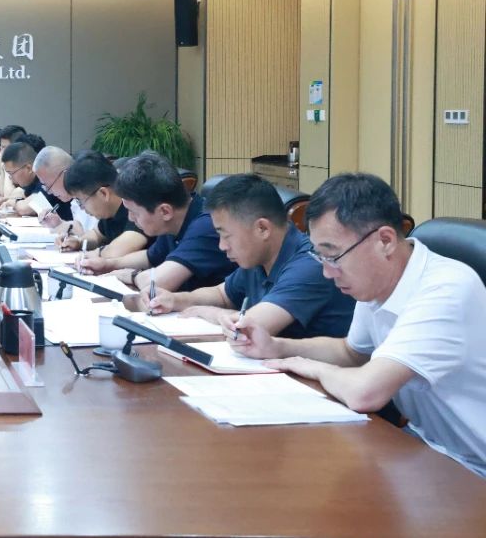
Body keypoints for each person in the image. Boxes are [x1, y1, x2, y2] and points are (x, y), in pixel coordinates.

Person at [233, 173, 486, 477]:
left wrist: (310, 367)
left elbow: (365, 392)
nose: (327, 272)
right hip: (431, 450)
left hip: (475, 469)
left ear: (385, 241)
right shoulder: (378, 282)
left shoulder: (447, 290)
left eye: (333, 256)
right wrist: (277, 347)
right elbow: (352, 352)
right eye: (320, 256)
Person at [141, 174, 353, 339]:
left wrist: (208, 312)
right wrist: (175, 300)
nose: (222, 246)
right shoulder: (259, 256)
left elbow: (248, 327)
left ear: (262, 229)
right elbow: (222, 294)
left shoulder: (310, 264)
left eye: (226, 235)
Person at [77, 151, 237, 293]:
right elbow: (150, 257)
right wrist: (108, 265)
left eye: (134, 212)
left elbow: (157, 282)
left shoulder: (206, 225)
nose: (130, 218)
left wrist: (131, 275)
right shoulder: (174, 221)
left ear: (165, 211)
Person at [58, 150, 148, 259]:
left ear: (103, 193)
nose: (82, 208)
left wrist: (94, 254)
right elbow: (96, 235)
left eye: (81, 201)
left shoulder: (136, 205)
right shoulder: (109, 211)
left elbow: (118, 250)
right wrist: (78, 242)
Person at [0, 140, 66, 219]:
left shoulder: (45, 178)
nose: (10, 177)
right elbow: (18, 195)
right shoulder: (29, 182)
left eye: (11, 173)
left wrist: (15, 202)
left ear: (29, 168)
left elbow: (24, 209)